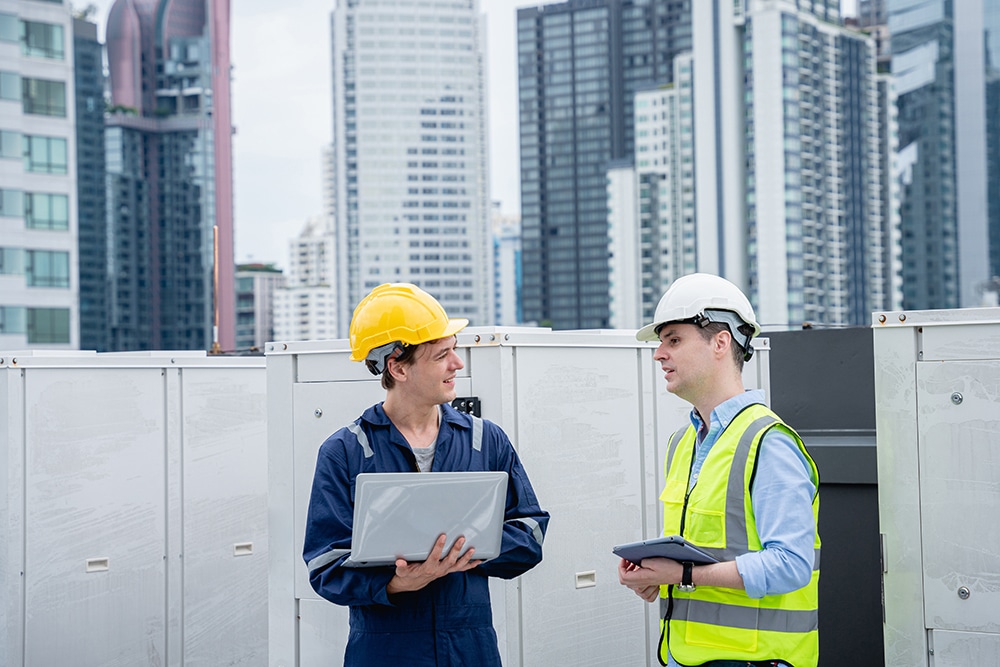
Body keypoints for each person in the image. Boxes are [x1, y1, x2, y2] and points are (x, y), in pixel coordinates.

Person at [303, 282, 550, 667]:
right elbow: (324, 565)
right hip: (385, 652)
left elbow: (531, 533)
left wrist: (466, 550)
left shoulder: (485, 441)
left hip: (470, 648)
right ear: (398, 367)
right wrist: (399, 582)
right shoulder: (346, 452)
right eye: (442, 355)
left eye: (455, 349)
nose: (458, 364)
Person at [618, 273, 820, 667]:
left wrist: (684, 575)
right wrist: (657, 577)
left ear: (721, 342)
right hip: (687, 658)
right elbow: (701, 552)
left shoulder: (768, 442)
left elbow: (791, 565)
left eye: (673, 340)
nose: (659, 353)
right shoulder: (683, 443)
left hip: (756, 662)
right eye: (661, 342)